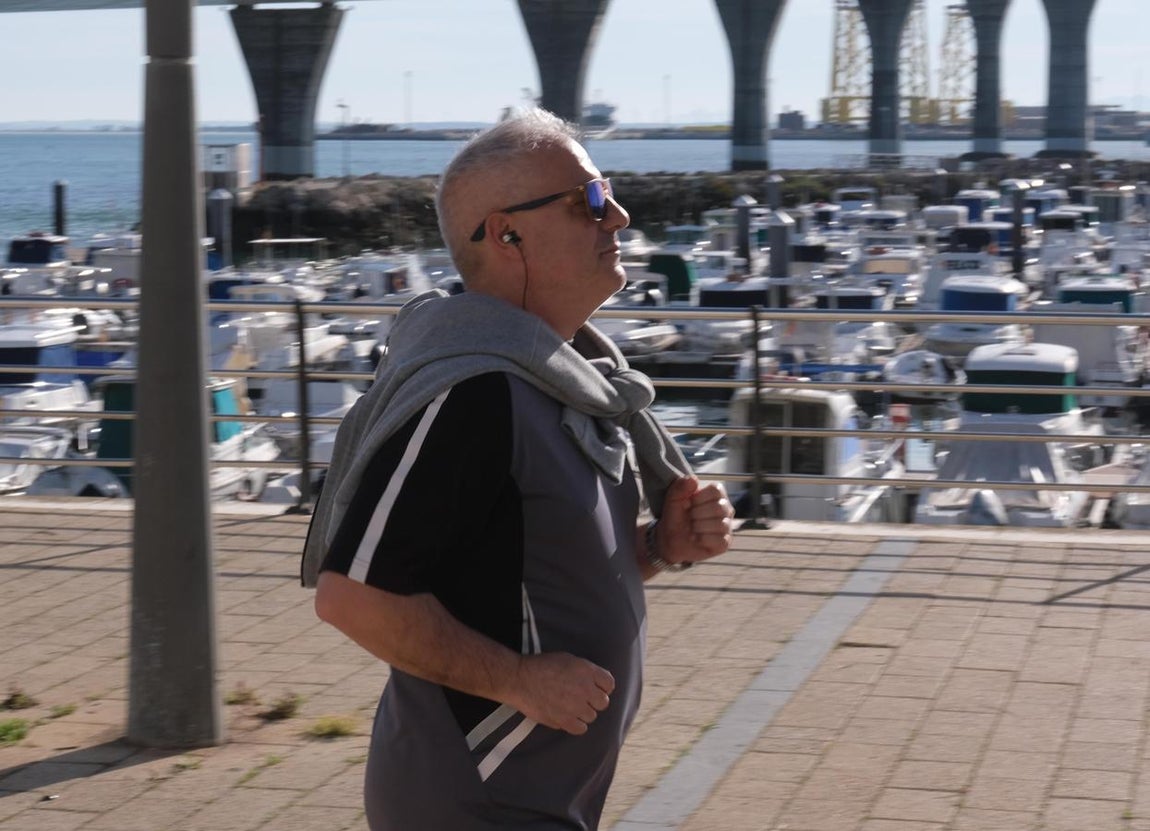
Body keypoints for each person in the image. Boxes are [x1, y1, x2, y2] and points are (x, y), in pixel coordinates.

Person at [302, 107, 734, 830]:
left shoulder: (569, 379)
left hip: (542, 795)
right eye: (590, 199)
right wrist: (518, 681)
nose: (619, 216)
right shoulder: (473, 392)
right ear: (507, 234)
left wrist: (661, 548)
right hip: (478, 801)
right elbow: (353, 597)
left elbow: (530, 571)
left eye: (609, 193)